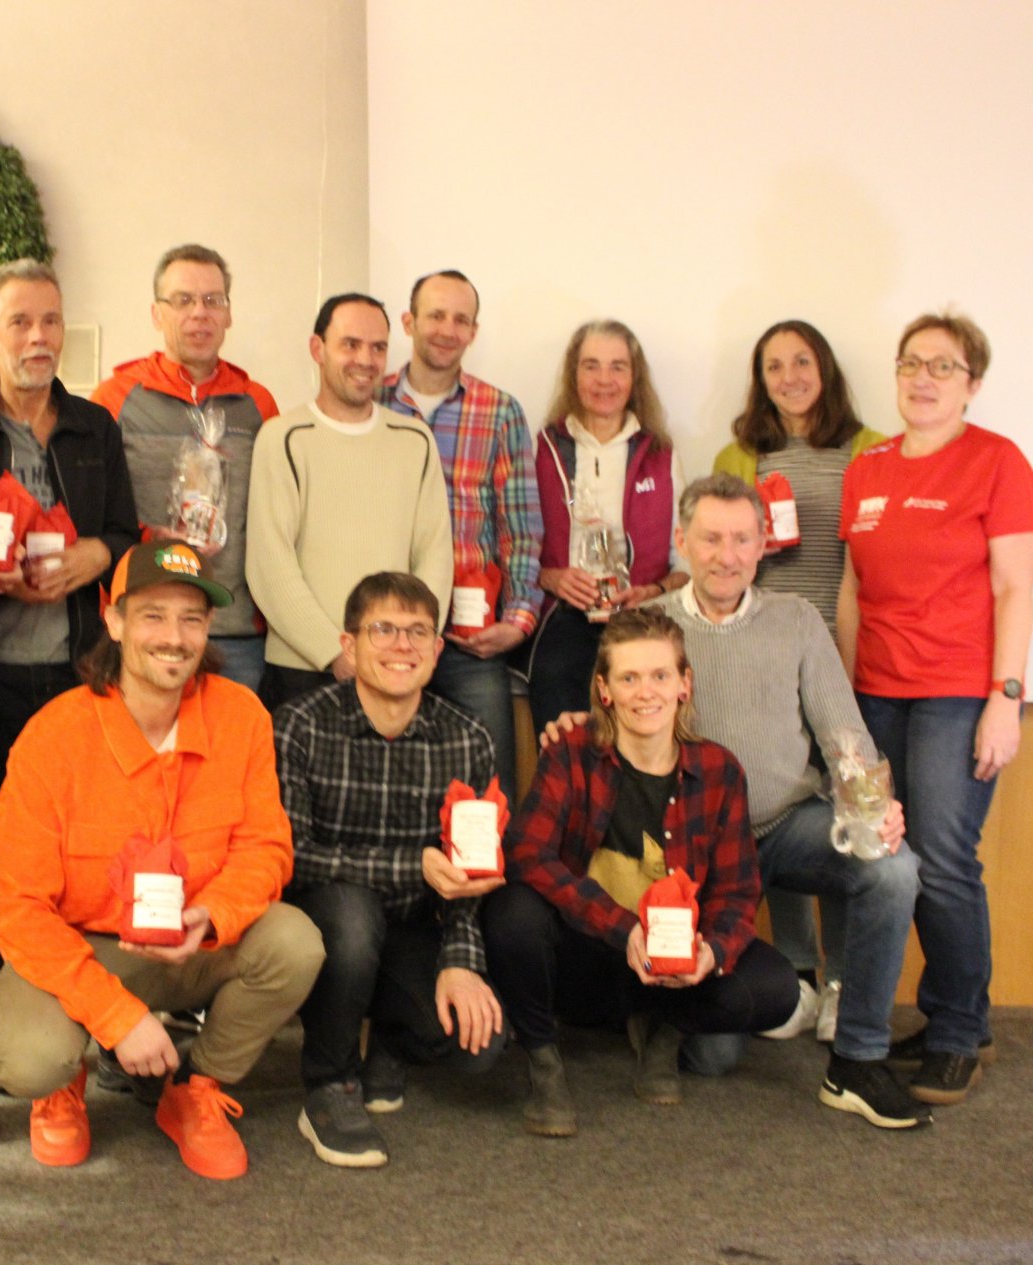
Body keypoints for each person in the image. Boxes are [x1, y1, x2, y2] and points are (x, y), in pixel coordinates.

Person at [0, 543, 324, 1180]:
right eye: (153, 616)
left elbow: (265, 848)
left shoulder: (241, 716)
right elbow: (19, 907)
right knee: (32, 1060)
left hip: (193, 944)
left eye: (192, 619)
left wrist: (214, 914)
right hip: (84, 949)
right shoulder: (52, 737)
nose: (175, 637)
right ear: (113, 621)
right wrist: (117, 1017)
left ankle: (196, 1087)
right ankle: (63, 1085)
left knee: (295, 944)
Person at [639, 476, 926, 1127]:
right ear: (682, 540)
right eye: (711, 538)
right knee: (711, 1057)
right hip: (694, 853)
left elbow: (843, 733)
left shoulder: (796, 619)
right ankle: (663, 1015)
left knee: (894, 868)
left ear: (763, 544)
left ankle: (857, 1060)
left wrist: (874, 806)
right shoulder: (651, 627)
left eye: (743, 539)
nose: (728, 555)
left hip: (787, 826)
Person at [483, 609, 798, 1133]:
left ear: (684, 684)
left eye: (659, 675)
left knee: (777, 987)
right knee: (511, 910)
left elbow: (738, 893)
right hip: (590, 954)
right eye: (628, 678)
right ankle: (544, 1064)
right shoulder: (572, 752)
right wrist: (624, 928)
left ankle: (665, 1031)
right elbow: (526, 853)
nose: (645, 692)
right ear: (604, 690)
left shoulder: (719, 769)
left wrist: (711, 953)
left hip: (674, 969)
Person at [838, 311, 1033, 1106]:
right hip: (877, 691)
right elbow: (854, 588)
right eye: (911, 363)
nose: (923, 378)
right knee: (898, 858)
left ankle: (959, 1033)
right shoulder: (868, 466)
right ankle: (961, 1016)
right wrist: (846, 702)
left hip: (959, 691)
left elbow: (1015, 588)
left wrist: (1006, 699)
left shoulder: (998, 462)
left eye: (943, 366)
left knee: (947, 860)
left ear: (972, 383)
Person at [0, 260, 141, 1028]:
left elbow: (124, 532)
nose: (39, 337)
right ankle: (7, 1015)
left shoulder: (93, 425)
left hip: (76, 673)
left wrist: (93, 555)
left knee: (80, 850)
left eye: (51, 321)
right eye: (21, 322)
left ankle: (86, 1012)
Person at [275, 573, 506, 1168]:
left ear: (437, 648)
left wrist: (460, 961)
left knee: (479, 1045)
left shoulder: (469, 738)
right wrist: (412, 865)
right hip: (328, 924)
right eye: (383, 629)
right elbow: (289, 855)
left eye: (418, 632)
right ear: (349, 646)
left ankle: (390, 1040)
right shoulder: (299, 725)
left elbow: (471, 874)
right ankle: (329, 1083)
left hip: (413, 925)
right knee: (353, 915)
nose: (402, 645)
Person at [712, 320, 889, 1040]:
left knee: (842, 821)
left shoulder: (870, 450)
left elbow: (874, 562)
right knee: (779, 805)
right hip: (766, 658)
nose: (789, 377)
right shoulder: (740, 454)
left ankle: (842, 980)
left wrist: (847, 658)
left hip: (844, 655)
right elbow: (727, 560)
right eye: (774, 366)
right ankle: (797, 976)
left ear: (826, 369)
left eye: (802, 361)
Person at [378, 271, 542, 804]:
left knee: (489, 785)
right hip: (383, 630)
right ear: (409, 322)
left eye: (461, 319)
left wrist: (518, 619)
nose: (447, 330)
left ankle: (488, 865)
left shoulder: (500, 411)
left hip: (470, 637)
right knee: (385, 780)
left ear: (474, 331)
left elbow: (521, 526)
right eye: (435, 315)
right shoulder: (371, 400)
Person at [246, 294, 453, 709]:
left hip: (395, 669)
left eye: (378, 348)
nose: (365, 359)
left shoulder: (415, 440)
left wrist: (407, 644)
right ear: (318, 349)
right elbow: (271, 567)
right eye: (350, 344)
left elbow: (435, 554)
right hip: (303, 669)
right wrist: (337, 653)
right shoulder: (283, 437)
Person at [92, 244, 279, 691]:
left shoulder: (258, 404)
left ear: (228, 314)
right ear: (157, 314)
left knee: (232, 736)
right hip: (143, 624)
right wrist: (145, 535)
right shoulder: (115, 398)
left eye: (213, 300)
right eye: (183, 300)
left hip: (235, 628)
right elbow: (93, 508)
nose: (200, 313)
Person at [524, 320, 687, 734]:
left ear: (635, 378)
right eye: (591, 366)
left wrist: (653, 591)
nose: (604, 380)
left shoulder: (661, 455)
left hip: (642, 621)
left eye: (618, 367)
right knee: (565, 740)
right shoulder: (543, 449)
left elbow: (686, 566)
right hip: (562, 621)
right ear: (573, 375)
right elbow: (515, 548)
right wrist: (552, 578)